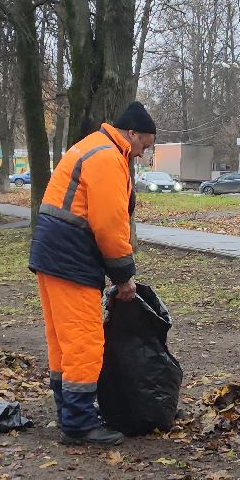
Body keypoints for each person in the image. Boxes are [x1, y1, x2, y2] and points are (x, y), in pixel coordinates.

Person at [27, 101, 157, 446]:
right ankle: (79, 423)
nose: (142, 153)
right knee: (84, 340)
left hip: (53, 254)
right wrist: (124, 276)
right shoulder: (107, 157)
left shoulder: (92, 146)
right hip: (71, 257)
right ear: (132, 133)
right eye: (144, 145)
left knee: (63, 341)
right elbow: (109, 224)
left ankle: (70, 413)